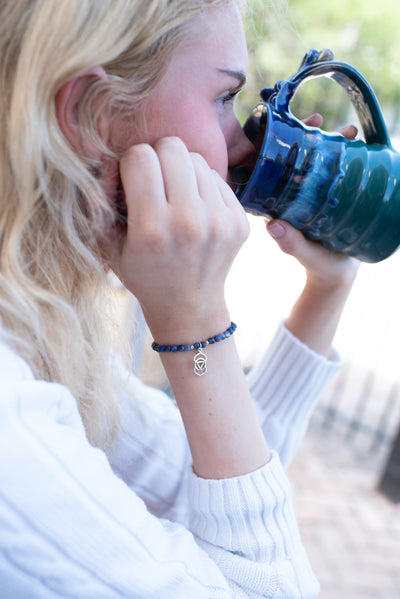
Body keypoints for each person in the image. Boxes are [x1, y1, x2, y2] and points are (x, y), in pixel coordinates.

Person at [0, 1, 358, 597]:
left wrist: (326, 288)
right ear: (88, 114)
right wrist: (193, 329)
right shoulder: (13, 430)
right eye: (224, 99)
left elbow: (221, 475)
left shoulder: (35, 323)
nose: (242, 144)